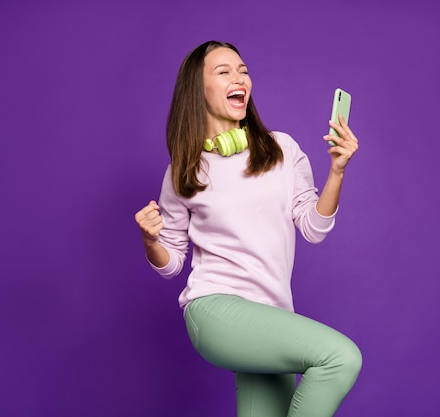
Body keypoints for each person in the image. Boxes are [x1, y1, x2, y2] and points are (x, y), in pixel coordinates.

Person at [134, 40, 361, 417]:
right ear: (198, 89)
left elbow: (314, 227)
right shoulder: (184, 171)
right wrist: (150, 239)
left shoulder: (281, 149)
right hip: (215, 309)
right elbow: (171, 261)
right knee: (339, 358)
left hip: (271, 316)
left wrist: (336, 172)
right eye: (224, 71)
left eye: (243, 70)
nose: (239, 77)